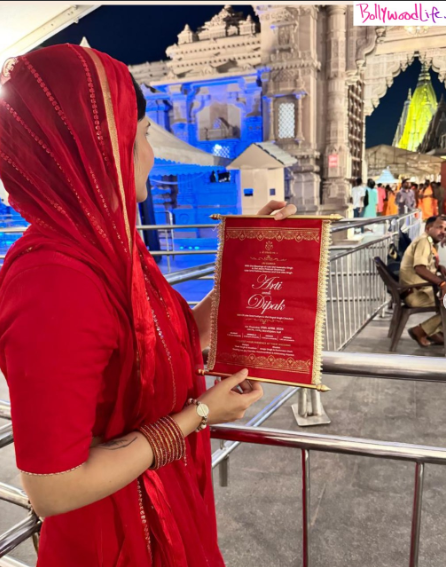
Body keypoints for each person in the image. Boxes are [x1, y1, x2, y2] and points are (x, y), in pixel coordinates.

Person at [0, 45, 298, 567]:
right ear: (100, 149)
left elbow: (181, 337)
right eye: (140, 137)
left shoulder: (114, 250)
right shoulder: (53, 281)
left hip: (162, 499)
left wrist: (251, 259)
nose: (151, 155)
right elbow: (53, 487)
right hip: (116, 536)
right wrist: (200, 413)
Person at [399, 215, 446, 347]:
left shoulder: (428, 241)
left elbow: (425, 265)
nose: (443, 231)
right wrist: (442, 283)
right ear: (428, 228)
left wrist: (438, 267)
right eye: (439, 227)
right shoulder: (424, 242)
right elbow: (419, 268)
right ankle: (421, 331)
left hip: (418, 290)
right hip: (416, 293)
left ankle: (436, 332)